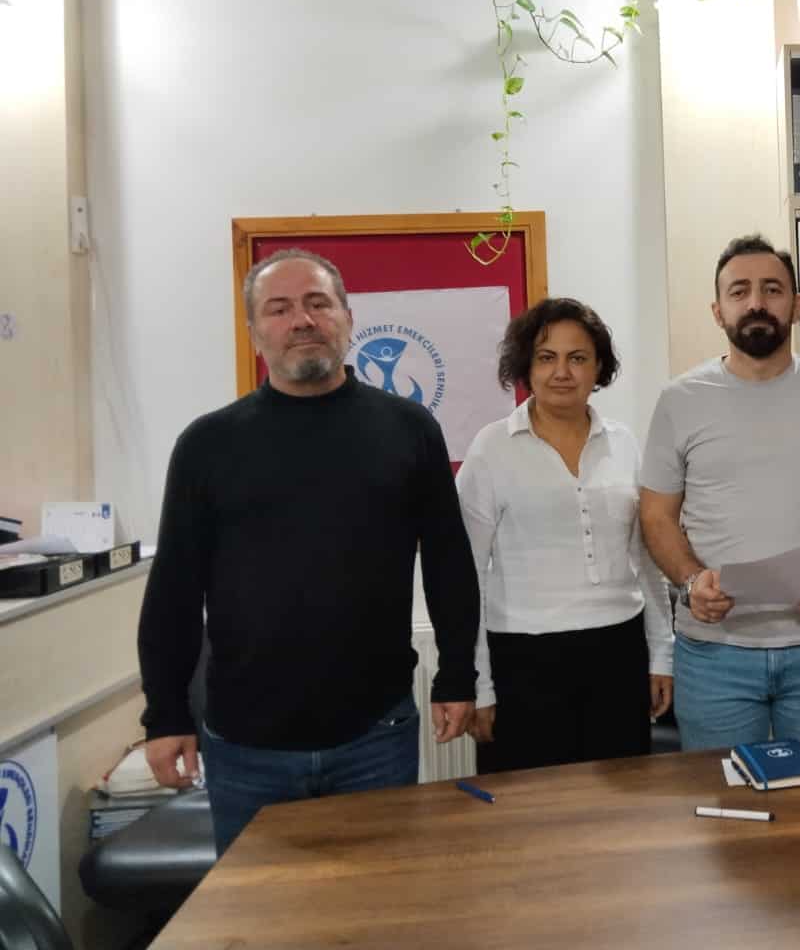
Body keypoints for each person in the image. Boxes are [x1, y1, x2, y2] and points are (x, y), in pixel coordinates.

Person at [136, 249, 479, 855]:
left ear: (347, 318)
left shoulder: (409, 430)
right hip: (246, 746)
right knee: (258, 909)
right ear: (254, 332)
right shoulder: (207, 446)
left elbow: (449, 562)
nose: (302, 320)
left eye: (318, 303)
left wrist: (457, 674)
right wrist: (165, 715)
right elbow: (174, 593)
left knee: (376, 901)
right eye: (280, 308)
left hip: (375, 735)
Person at [639, 233, 800, 751]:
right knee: (720, 795)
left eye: (772, 289)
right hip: (714, 654)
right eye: (739, 291)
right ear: (717, 310)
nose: (756, 302)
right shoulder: (679, 399)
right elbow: (655, 515)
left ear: (797, 305)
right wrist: (691, 580)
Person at [456, 298, 673, 772]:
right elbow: (466, 574)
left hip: (618, 651)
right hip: (523, 658)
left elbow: (648, 559)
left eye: (577, 358)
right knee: (530, 808)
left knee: (621, 801)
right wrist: (481, 683)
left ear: (598, 368)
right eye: (546, 357)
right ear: (526, 366)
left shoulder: (624, 443)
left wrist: (662, 655)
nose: (562, 372)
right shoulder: (491, 449)